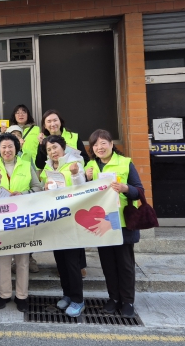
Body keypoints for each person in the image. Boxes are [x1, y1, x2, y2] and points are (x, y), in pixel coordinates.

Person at [85, 129, 144, 319]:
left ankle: (128, 301)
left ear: (111, 144)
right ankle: (114, 298)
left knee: (125, 264)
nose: (99, 147)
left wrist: (125, 188)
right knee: (108, 263)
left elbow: (139, 191)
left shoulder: (125, 163)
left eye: (103, 143)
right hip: (102, 222)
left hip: (122, 222)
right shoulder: (91, 166)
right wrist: (84, 178)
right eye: (95, 144)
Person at [0, 132, 41, 312]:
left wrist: (22, 194)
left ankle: (21, 296)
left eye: (10, 146)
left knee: (22, 259)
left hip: (22, 217)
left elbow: (37, 187)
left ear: (16, 148)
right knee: (2, 258)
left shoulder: (26, 164)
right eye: (4, 147)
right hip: (0, 219)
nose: (7, 150)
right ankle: (4, 294)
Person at [40, 135, 86, 317]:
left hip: (72, 219)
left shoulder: (75, 163)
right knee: (61, 261)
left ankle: (78, 300)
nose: (53, 152)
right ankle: (67, 294)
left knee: (72, 262)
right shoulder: (48, 167)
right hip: (55, 220)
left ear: (63, 147)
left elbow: (82, 188)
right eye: (49, 149)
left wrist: (75, 174)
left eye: (55, 148)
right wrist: (45, 188)